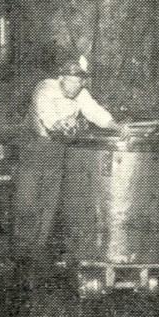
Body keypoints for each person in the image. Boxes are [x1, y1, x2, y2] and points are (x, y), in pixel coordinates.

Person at [10, 55, 129, 273]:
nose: (77, 86)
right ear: (61, 77)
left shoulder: (80, 94)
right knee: (27, 203)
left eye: (81, 81)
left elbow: (94, 111)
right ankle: (20, 253)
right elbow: (45, 113)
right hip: (34, 150)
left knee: (49, 203)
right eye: (73, 81)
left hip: (56, 151)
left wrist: (115, 126)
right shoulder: (46, 89)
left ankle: (37, 251)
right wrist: (59, 123)